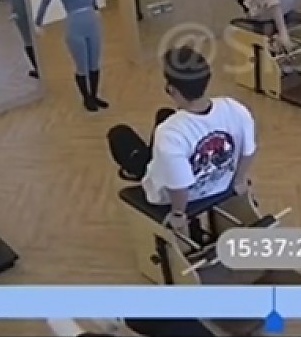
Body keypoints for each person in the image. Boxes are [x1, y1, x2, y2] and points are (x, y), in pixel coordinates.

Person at [106, 46, 257, 236]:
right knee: (165, 114)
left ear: (171, 89)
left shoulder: (169, 133)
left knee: (119, 134)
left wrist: (178, 214)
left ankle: (139, 170)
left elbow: (179, 186)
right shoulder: (235, 108)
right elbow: (248, 151)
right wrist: (239, 180)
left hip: (173, 197)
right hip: (221, 184)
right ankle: (160, 157)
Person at [34, 0, 108, 112]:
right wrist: (37, 23)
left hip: (92, 23)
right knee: (82, 65)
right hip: (75, 26)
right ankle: (86, 98)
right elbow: (45, 3)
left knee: (94, 63)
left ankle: (94, 95)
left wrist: (96, 8)